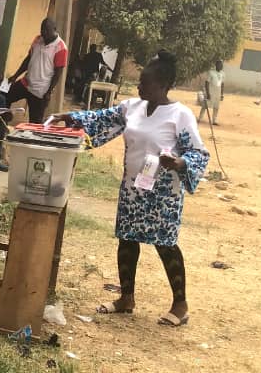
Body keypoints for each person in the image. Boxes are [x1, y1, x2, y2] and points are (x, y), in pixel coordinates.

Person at [50, 50, 209, 328]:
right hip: (133, 189)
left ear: (162, 85)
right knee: (127, 240)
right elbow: (101, 119)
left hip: (163, 194)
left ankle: (180, 305)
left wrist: (179, 162)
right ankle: (126, 298)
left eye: (145, 82)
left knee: (165, 244)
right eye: (140, 81)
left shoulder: (180, 115)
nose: (139, 86)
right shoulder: (131, 107)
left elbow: (198, 153)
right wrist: (72, 118)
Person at [6, 17, 68, 123]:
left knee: (35, 122)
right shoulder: (37, 39)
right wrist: (15, 75)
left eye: (47, 30)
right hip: (26, 83)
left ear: (54, 29)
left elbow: (58, 73)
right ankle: (2, 124)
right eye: (42, 30)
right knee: (5, 96)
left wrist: (48, 92)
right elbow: (28, 59)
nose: (44, 33)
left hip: (40, 91)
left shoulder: (61, 48)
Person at [198, 60, 224, 124]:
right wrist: (208, 93)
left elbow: (222, 84)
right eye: (219, 64)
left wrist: (221, 94)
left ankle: (214, 120)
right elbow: (207, 83)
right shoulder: (211, 72)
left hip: (218, 92)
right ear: (216, 65)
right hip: (211, 91)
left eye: (221, 65)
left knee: (216, 107)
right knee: (205, 105)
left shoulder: (223, 73)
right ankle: (200, 118)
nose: (221, 66)